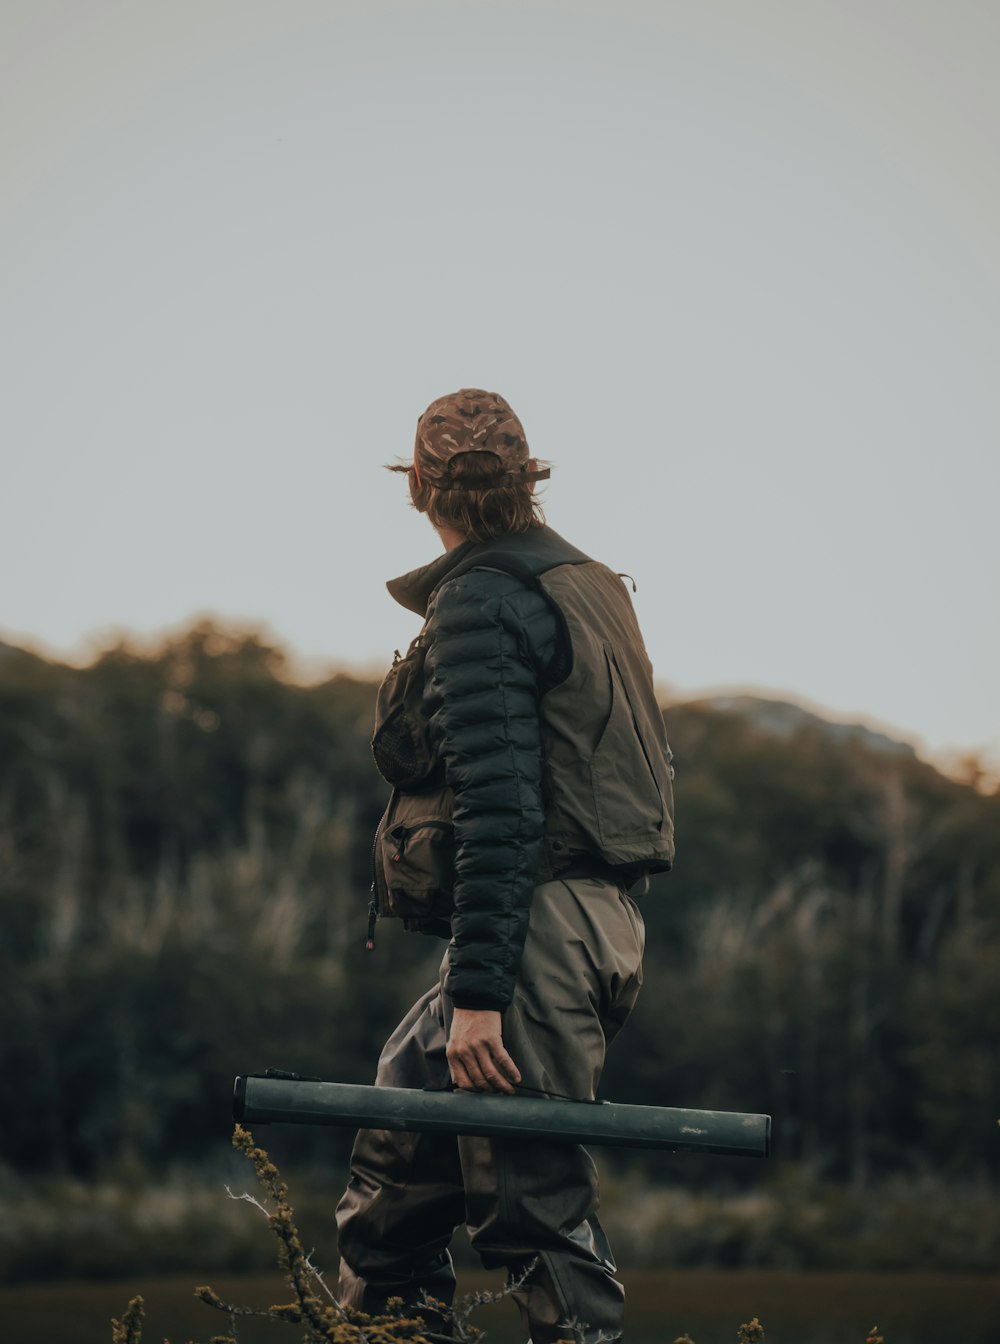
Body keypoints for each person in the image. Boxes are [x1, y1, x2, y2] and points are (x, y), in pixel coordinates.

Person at [335, 389, 675, 1343]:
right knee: (394, 1183)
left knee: (534, 1212)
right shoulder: (585, 581)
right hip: (577, 927)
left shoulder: (485, 598)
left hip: (534, 939)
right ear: (529, 480)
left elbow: (500, 809)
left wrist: (480, 993)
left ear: (418, 492)